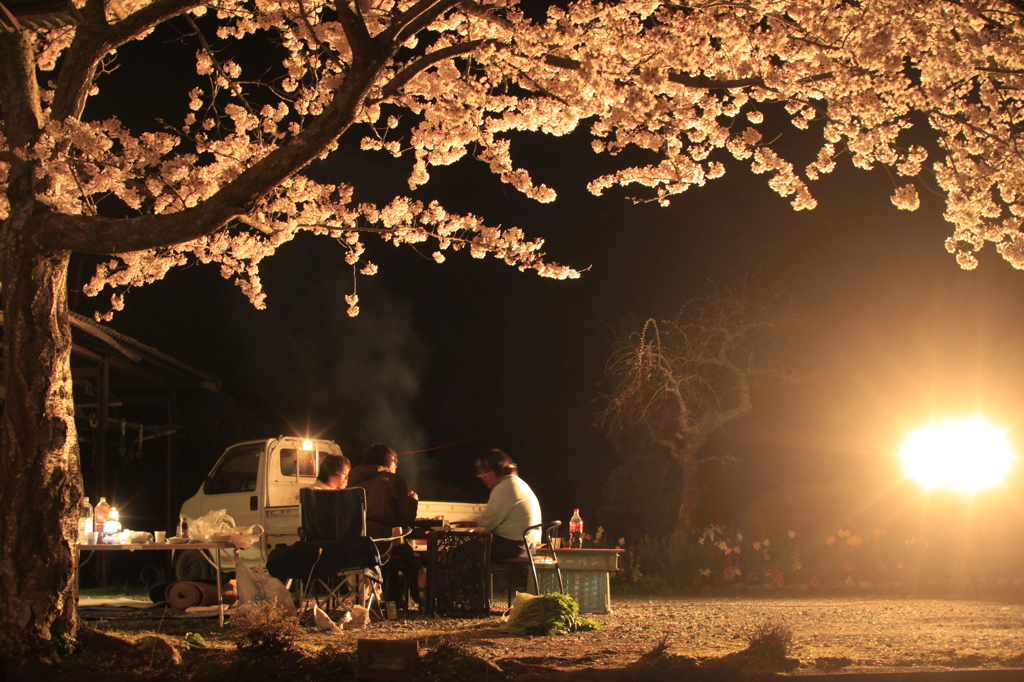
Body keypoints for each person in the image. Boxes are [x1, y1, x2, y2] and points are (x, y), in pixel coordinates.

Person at [348, 443, 421, 607]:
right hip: (382, 542)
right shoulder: (392, 480)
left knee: (396, 551)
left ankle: (392, 599)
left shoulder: (351, 481)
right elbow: (405, 518)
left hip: (355, 544)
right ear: (390, 462)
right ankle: (421, 599)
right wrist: (412, 501)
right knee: (408, 557)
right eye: (396, 463)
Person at [475, 449, 542, 562]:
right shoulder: (518, 483)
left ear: (499, 469)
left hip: (513, 547)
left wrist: (470, 528)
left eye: (485, 471)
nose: (482, 476)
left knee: (463, 551)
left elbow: (484, 527)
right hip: (528, 547)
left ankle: (476, 580)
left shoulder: (504, 488)